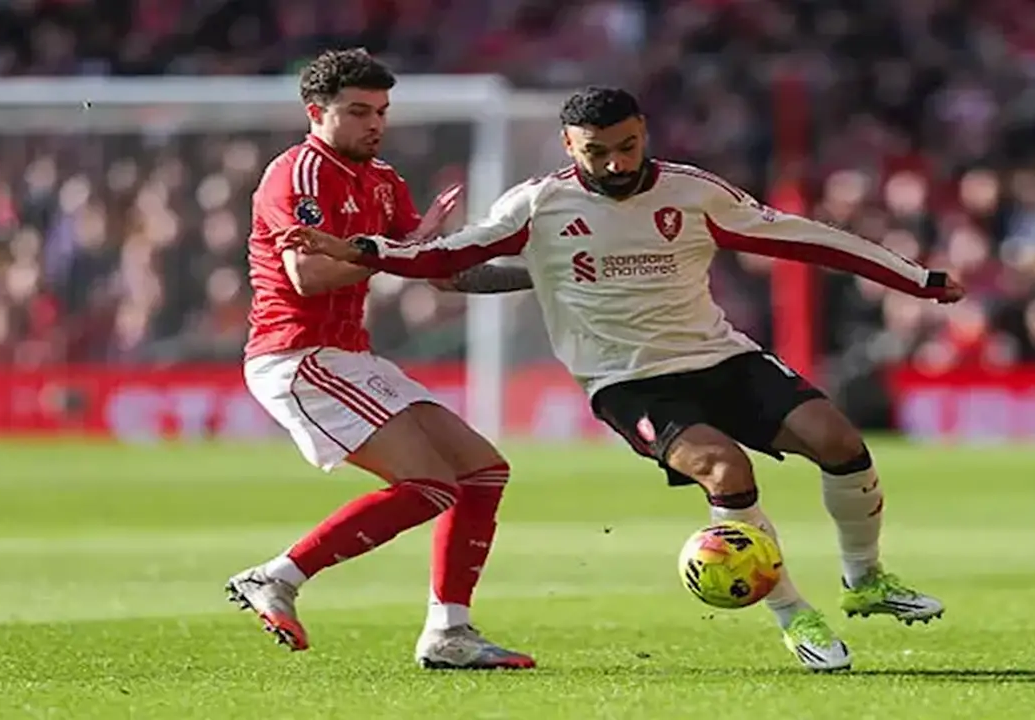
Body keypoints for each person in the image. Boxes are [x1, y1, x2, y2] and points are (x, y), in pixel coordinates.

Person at [284, 86, 966, 673]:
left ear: (645, 136)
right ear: (569, 145)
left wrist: (913, 277)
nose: (615, 163)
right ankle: (794, 615)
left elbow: (803, 237)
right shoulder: (537, 205)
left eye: (628, 147)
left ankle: (866, 579)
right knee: (724, 470)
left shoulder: (693, 193)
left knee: (840, 439)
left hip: (720, 356)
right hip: (628, 383)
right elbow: (445, 257)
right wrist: (364, 251)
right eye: (597, 151)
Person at [229, 47, 536, 671]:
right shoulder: (301, 174)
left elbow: (440, 276)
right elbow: (309, 273)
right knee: (428, 485)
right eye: (359, 111)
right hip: (297, 354)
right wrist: (388, 250)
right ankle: (278, 577)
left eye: (382, 111)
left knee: (483, 471)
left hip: (346, 355)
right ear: (316, 112)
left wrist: (543, 278)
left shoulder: (383, 180)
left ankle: (449, 632)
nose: (375, 123)